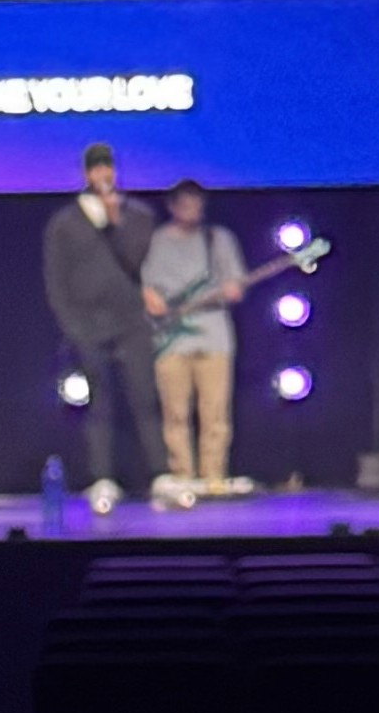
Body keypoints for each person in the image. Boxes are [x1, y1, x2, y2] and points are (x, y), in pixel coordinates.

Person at [38, 142, 165, 513]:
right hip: (88, 324)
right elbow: (56, 279)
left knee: (144, 397)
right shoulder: (65, 223)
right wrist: (72, 325)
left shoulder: (138, 216)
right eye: (95, 169)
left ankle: (159, 474)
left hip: (133, 322)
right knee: (99, 402)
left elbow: (141, 262)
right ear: (86, 174)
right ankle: (102, 477)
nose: (102, 175)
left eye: (107, 167)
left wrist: (115, 221)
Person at [140, 177, 249, 502]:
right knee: (175, 413)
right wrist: (152, 299)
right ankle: (182, 476)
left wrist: (233, 288)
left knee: (215, 412)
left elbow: (236, 284)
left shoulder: (218, 239)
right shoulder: (157, 241)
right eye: (185, 204)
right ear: (172, 207)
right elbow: (146, 286)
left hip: (214, 338)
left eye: (197, 203)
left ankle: (213, 476)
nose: (193, 210)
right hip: (172, 340)